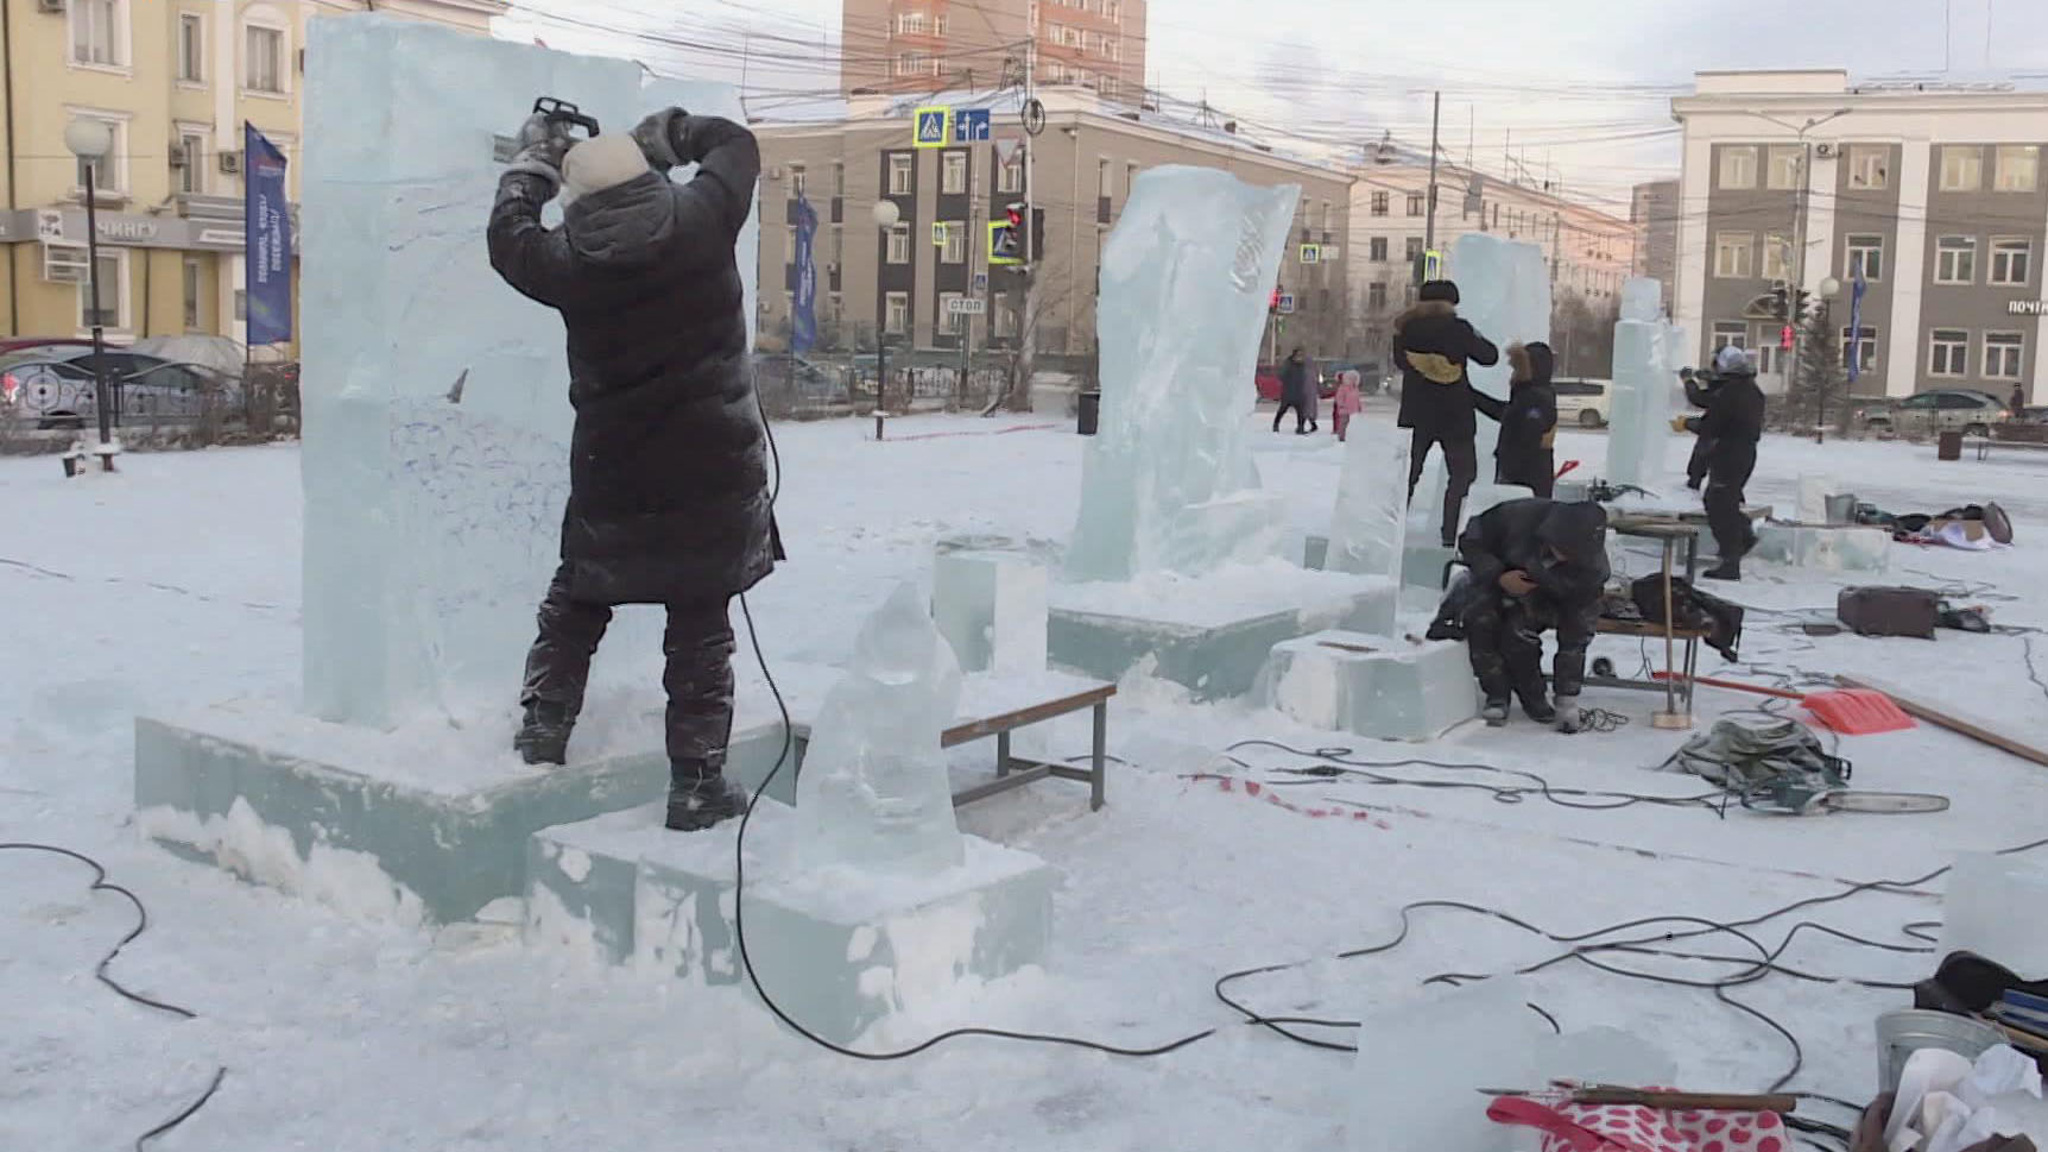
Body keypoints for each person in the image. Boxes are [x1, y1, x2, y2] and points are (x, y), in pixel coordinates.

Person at [488, 108, 781, 832]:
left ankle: (543, 730)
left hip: (616, 466)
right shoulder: (704, 218)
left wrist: (533, 166)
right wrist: (667, 135)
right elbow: (735, 144)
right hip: (714, 463)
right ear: (647, 175)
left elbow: (508, 237)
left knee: (579, 598)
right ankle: (697, 785)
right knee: (701, 623)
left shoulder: (565, 263)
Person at [1451, 498, 1609, 731]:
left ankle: (1532, 694)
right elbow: (1471, 542)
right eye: (1563, 549)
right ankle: (1496, 693)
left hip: (1548, 597)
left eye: (1573, 554)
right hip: (1495, 579)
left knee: (1518, 632)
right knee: (1480, 619)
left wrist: (1567, 698)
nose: (1564, 557)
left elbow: (1576, 635)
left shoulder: (1591, 573)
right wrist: (1499, 576)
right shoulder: (1517, 516)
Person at [1393, 280, 1501, 545]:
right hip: (1455, 415)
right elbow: (1489, 356)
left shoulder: (1406, 329)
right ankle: (1451, 535)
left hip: (1415, 414)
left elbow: (1400, 362)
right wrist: (1472, 334)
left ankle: (1391, 530)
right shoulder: (1459, 329)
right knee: (1462, 477)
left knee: (1406, 476)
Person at [1681, 345, 1766, 581]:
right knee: (1723, 501)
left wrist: (1688, 424)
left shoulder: (1730, 393)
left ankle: (1731, 561)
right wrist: (1704, 381)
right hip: (1743, 454)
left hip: (1728, 454)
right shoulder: (1749, 389)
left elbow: (1712, 423)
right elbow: (1713, 401)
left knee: (1720, 507)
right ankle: (1743, 537)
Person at [1471, 341, 1559, 496]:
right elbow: (1509, 415)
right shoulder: (1529, 394)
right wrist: (1473, 397)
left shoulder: (1536, 398)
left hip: (1524, 480)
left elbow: (1528, 436)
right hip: (1524, 476)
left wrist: (1509, 470)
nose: (1513, 373)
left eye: (1517, 368)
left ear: (1530, 369)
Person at [1680, 366, 1719, 491]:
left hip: (1717, 438)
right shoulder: (1742, 390)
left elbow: (1698, 398)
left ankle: (1694, 485)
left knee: (1701, 463)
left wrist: (1688, 381)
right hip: (1738, 443)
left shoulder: (1724, 393)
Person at [1273, 348, 1312, 435]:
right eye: (1298, 355)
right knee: (1282, 410)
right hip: (1289, 392)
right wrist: (1287, 381)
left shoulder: (1303, 365)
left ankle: (1300, 428)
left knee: (1301, 412)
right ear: (1294, 356)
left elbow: (1305, 377)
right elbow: (1281, 375)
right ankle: (1276, 424)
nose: (1300, 357)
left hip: (1299, 393)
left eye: (1301, 355)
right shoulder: (1288, 364)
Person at [1332, 368, 1363, 442]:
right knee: (1343, 423)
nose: (1353, 381)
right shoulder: (1343, 388)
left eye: (1355, 379)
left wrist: (1359, 406)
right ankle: (1341, 437)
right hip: (1344, 409)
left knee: (1350, 423)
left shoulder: (1355, 388)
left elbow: (1357, 398)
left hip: (1352, 409)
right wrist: (1341, 405)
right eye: (1351, 379)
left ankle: (1349, 436)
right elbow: (1339, 397)